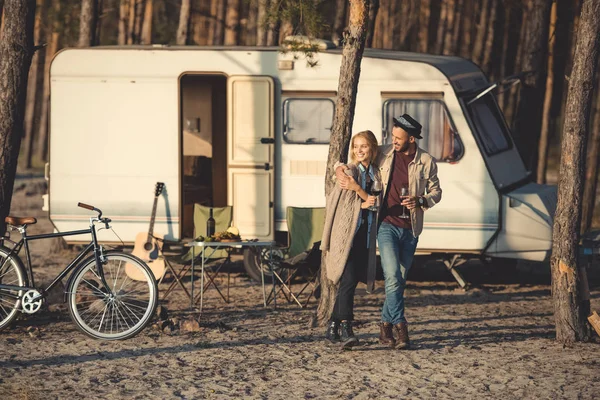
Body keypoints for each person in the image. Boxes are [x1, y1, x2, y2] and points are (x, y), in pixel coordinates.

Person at [336, 114, 442, 349]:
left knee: (399, 280)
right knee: (393, 277)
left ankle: (385, 326)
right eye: (392, 136)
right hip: (386, 224)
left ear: (411, 139)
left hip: (412, 228)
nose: (393, 140)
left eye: (398, 138)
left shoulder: (426, 161)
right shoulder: (384, 152)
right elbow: (354, 158)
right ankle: (401, 327)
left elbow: (436, 191)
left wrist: (421, 200)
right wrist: (339, 168)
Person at [321, 130, 381, 348]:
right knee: (347, 281)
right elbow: (341, 203)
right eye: (356, 147)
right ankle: (347, 327)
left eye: (364, 146)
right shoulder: (351, 171)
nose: (359, 150)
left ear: (372, 149)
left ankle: (331, 326)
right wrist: (359, 196)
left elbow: (374, 201)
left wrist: (360, 193)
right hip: (346, 235)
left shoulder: (375, 173)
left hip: (363, 236)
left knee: (351, 280)